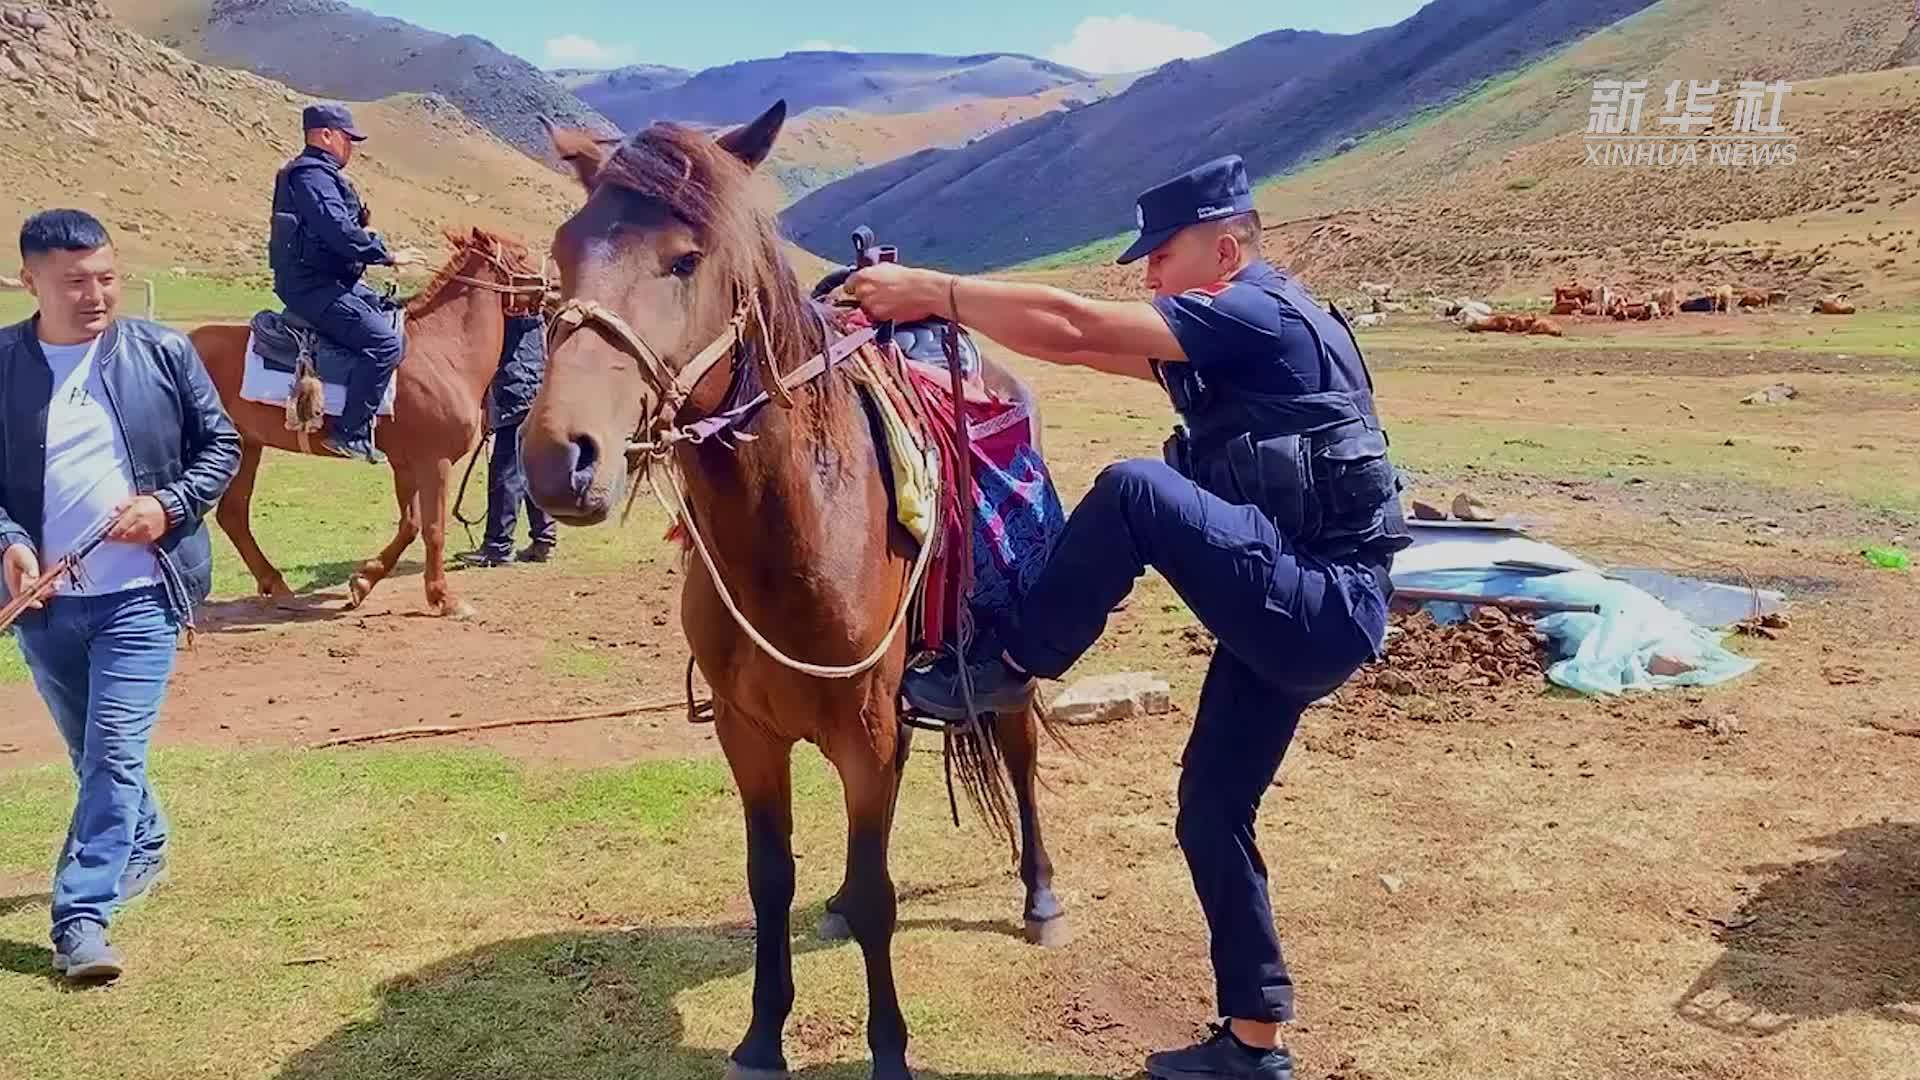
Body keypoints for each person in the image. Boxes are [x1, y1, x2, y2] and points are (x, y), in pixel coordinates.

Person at [849, 155, 1410, 1080]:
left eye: (1162, 256)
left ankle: (1010, 662)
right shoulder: (1247, 333)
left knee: (1134, 491)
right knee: (1210, 811)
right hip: (1292, 611)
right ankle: (1254, 1044)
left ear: (1225, 251)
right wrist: (941, 313)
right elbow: (1092, 346)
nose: (1147, 274)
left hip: (1316, 600)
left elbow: (1074, 326)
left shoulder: (1260, 312)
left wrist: (934, 287)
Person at [0, 209, 241, 981]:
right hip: (44, 605)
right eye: (74, 282)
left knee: (112, 750)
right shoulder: (2, 362)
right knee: (90, 753)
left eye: (106, 277)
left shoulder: (161, 351)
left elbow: (221, 447)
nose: (96, 294)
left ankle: (80, 919)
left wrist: (168, 506)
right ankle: (144, 839)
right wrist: (9, 539)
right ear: (29, 280)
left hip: (141, 595)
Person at [269, 102, 420, 464]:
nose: (351, 146)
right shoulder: (312, 176)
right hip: (313, 287)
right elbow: (336, 231)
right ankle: (349, 433)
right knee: (384, 344)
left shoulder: (318, 175)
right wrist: (385, 255)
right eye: (346, 138)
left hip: (331, 280)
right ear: (325, 135)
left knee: (392, 312)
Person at [459, 313, 558, 567]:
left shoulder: (512, 316)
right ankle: (543, 540)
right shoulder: (533, 316)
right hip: (528, 388)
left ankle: (498, 546)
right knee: (532, 467)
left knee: (507, 469)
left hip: (516, 390)